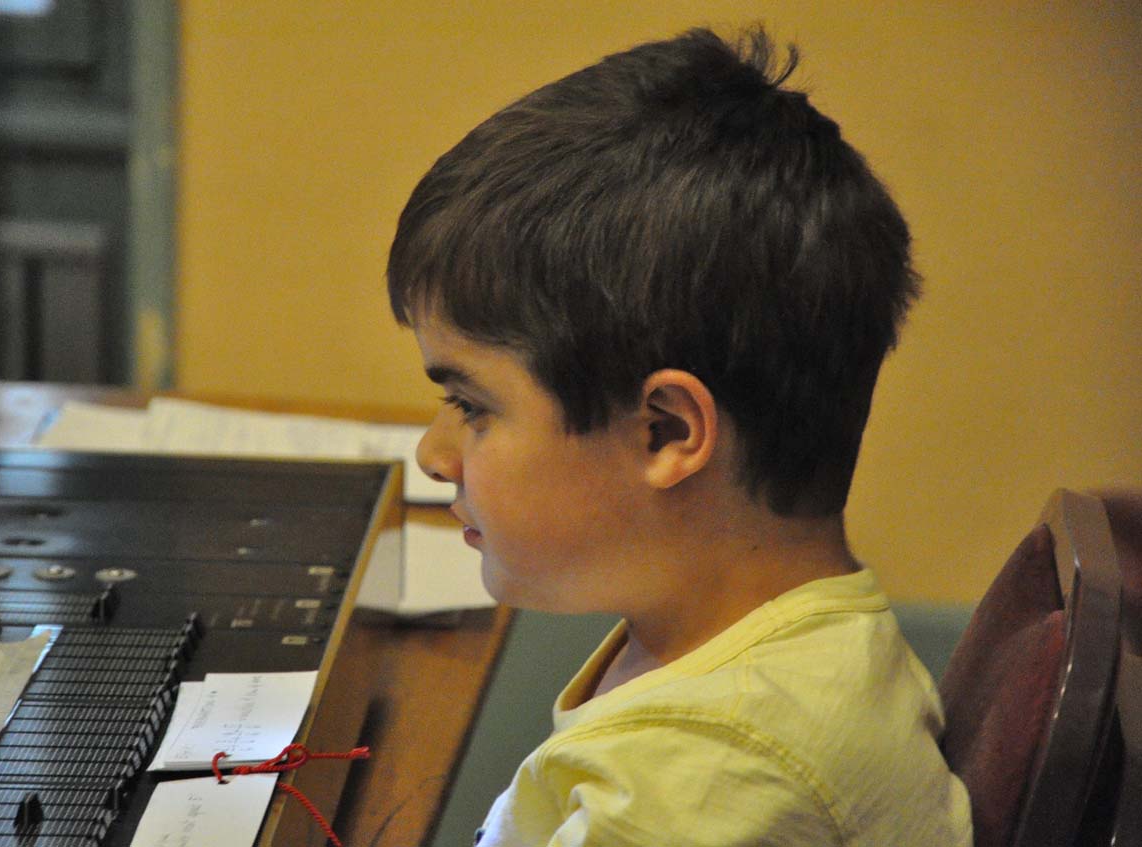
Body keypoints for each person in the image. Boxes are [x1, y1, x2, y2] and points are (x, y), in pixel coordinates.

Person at [386, 25, 972, 847]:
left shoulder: (696, 782)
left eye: (472, 405)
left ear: (664, 430)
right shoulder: (766, 649)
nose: (435, 453)